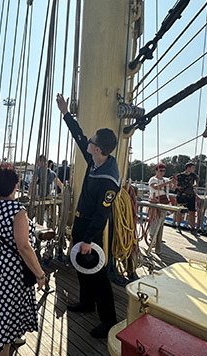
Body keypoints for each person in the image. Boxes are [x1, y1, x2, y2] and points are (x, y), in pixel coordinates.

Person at [56, 93, 119, 338]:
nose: (88, 142)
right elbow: (78, 135)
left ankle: (108, 320)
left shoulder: (108, 179)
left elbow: (103, 214)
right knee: (82, 266)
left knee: (98, 274)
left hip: (92, 230)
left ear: (99, 148)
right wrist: (65, 113)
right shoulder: (95, 160)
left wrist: (88, 240)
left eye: (92, 141)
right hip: (81, 223)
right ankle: (86, 302)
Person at [0, 163, 46, 356]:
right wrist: (40, 274)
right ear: (15, 185)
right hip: (15, 270)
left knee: (6, 305)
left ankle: (12, 336)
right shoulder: (17, 211)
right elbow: (24, 247)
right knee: (7, 312)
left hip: (0, 264)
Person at [148, 163, 175, 254]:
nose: (162, 172)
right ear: (156, 171)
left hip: (163, 201)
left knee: (161, 221)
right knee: (154, 220)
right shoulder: (153, 179)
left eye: (164, 171)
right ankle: (152, 237)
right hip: (155, 201)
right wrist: (168, 182)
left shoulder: (165, 179)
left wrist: (174, 181)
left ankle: (158, 238)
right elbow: (155, 187)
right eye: (160, 170)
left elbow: (173, 188)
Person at [175, 162, 198, 232]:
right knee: (180, 212)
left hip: (191, 196)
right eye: (192, 168)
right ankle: (178, 226)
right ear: (188, 168)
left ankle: (192, 228)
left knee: (192, 212)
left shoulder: (193, 175)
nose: (194, 169)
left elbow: (197, 178)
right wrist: (177, 186)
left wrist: (195, 184)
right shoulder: (180, 176)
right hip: (182, 196)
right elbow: (173, 182)